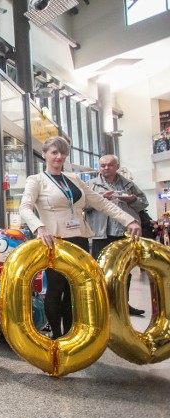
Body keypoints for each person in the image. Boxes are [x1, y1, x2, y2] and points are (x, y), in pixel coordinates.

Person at [19, 136, 141, 339]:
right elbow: (25, 208)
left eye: (63, 153)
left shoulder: (74, 179)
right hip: (54, 240)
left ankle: (70, 336)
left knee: (73, 290)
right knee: (56, 289)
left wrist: (128, 220)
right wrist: (39, 227)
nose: (59, 157)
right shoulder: (36, 180)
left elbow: (102, 203)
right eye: (54, 152)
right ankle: (56, 337)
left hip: (80, 239)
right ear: (45, 154)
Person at [85, 154, 148, 316]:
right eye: (103, 166)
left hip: (124, 233)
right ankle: (103, 305)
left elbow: (143, 202)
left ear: (117, 166)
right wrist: (99, 199)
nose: (106, 168)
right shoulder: (91, 185)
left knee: (125, 270)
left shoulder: (128, 184)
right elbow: (82, 205)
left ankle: (123, 304)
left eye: (110, 165)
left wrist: (132, 200)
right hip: (100, 234)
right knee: (100, 270)